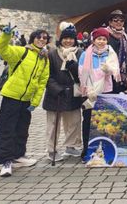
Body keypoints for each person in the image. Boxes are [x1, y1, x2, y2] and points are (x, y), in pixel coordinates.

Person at [0, 26, 50, 177]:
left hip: (26, 100)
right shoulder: (22, 51)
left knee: (22, 129)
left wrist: (35, 102)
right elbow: (3, 50)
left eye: (45, 38)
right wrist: (6, 35)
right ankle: (6, 161)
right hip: (11, 97)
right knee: (7, 129)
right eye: (38, 37)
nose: (41, 40)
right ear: (33, 39)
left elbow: (42, 82)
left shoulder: (44, 59)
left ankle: (18, 156)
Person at [42, 23, 83, 162]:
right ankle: (51, 149)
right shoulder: (52, 54)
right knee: (53, 123)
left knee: (73, 121)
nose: (68, 41)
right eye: (65, 38)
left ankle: (71, 146)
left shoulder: (80, 53)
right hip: (56, 94)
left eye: (71, 38)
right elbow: (47, 75)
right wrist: (56, 89)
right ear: (61, 39)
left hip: (73, 92)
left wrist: (73, 67)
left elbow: (82, 74)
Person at [79, 27, 120, 160]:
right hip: (89, 92)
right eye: (99, 39)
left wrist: (109, 70)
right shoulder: (86, 54)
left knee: (104, 121)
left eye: (104, 39)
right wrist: (88, 89)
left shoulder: (110, 54)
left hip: (105, 91)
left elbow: (116, 72)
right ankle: (87, 149)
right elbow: (81, 73)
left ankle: (105, 149)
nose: (101, 42)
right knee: (88, 121)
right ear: (93, 40)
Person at [105, 9, 127, 92]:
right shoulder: (105, 35)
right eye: (115, 20)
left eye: (121, 20)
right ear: (110, 22)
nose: (119, 22)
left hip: (121, 73)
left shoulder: (125, 37)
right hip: (107, 73)